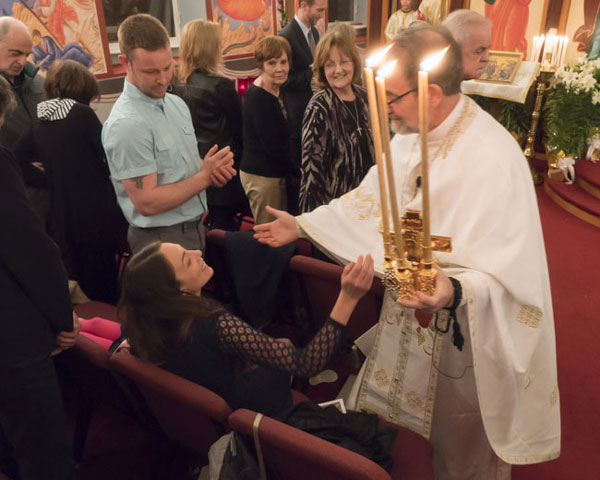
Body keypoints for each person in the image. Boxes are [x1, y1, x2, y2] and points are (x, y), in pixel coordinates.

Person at [254, 26, 560, 479]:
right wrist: (302, 223)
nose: (386, 108)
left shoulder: (494, 160)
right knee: (412, 426)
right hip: (410, 305)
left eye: (392, 97)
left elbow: (514, 274)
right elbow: (369, 199)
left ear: (430, 93)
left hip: (466, 328)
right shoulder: (409, 134)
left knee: (461, 441)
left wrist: (454, 290)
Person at [118, 240, 374, 416]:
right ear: (181, 291)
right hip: (251, 408)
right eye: (187, 260)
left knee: (281, 344)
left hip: (210, 401)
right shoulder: (213, 323)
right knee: (286, 345)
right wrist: (348, 297)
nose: (197, 252)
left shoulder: (145, 323)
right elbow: (307, 363)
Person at [102, 14, 236, 254]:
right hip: (159, 238)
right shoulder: (127, 124)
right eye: (151, 71)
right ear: (125, 62)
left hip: (193, 226)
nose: (163, 79)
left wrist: (210, 167)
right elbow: (147, 202)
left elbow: (178, 167)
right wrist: (204, 177)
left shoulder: (175, 104)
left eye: (167, 68)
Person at [0, 75, 79, 480]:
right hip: (13, 334)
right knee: (44, 450)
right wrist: (62, 319)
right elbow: (29, 248)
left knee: (10, 444)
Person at [14, 59, 126, 304]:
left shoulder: (39, 119)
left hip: (61, 218)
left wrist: (48, 178)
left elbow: (16, 160)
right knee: (106, 286)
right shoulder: (82, 115)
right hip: (95, 214)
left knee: (82, 286)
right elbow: (109, 156)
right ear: (83, 87)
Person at [172, 19, 249, 231]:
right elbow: (240, 129)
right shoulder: (220, 85)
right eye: (217, 43)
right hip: (223, 166)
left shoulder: (175, 84)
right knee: (223, 229)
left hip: (191, 164)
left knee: (206, 224)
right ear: (209, 48)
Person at [299, 24, 374, 214]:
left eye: (344, 62)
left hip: (369, 204)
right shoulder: (320, 107)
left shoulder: (366, 98)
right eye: (330, 64)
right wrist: (315, 222)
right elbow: (311, 172)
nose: (338, 70)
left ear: (354, 63)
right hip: (336, 210)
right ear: (322, 69)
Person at [240, 36, 295, 225]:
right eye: (272, 63)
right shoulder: (258, 97)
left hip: (272, 173)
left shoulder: (278, 90)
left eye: (283, 62)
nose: (279, 68)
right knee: (269, 233)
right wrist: (299, 170)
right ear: (261, 65)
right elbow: (273, 147)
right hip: (262, 177)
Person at [279, 0, 327, 212]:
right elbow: (284, 80)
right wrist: (313, 73)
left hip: (314, 107)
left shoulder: (315, 34)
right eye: (319, 10)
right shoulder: (286, 36)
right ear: (304, 5)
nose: (322, 15)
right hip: (297, 112)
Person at [0, 17, 47, 220]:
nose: (21, 61)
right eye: (15, 53)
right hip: (12, 195)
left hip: (48, 191)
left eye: (26, 54)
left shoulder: (39, 83)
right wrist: (21, 166)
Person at [442, 9, 491, 80]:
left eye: (487, 49)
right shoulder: (429, 86)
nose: (486, 58)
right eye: (479, 51)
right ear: (453, 50)